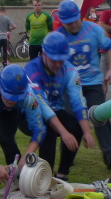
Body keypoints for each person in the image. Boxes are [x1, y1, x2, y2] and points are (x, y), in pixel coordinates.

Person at [55, 0, 111, 169]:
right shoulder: (58, 36)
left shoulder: (94, 29)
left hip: (93, 83)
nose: (73, 25)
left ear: (79, 16)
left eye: (75, 21)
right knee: (71, 121)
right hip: (69, 86)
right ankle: (67, 155)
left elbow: (110, 48)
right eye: (68, 23)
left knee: (101, 116)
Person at [23, 31, 95, 180]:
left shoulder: (69, 70)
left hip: (55, 110)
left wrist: (87, 131)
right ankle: (46, 177)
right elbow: (42, 106)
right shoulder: (32, 70)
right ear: (44, 54)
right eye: (54, 60)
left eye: (61, 60)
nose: (58, 65)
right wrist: (63, 132)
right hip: (30, 113)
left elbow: (78, 101)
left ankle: (62, 174)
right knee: (48, 129)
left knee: (76, 125)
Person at [97, 0, 111, 99]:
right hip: (106, 50)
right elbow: (101, 25)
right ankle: (101, 102)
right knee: (103, 79)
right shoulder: (107, 13)